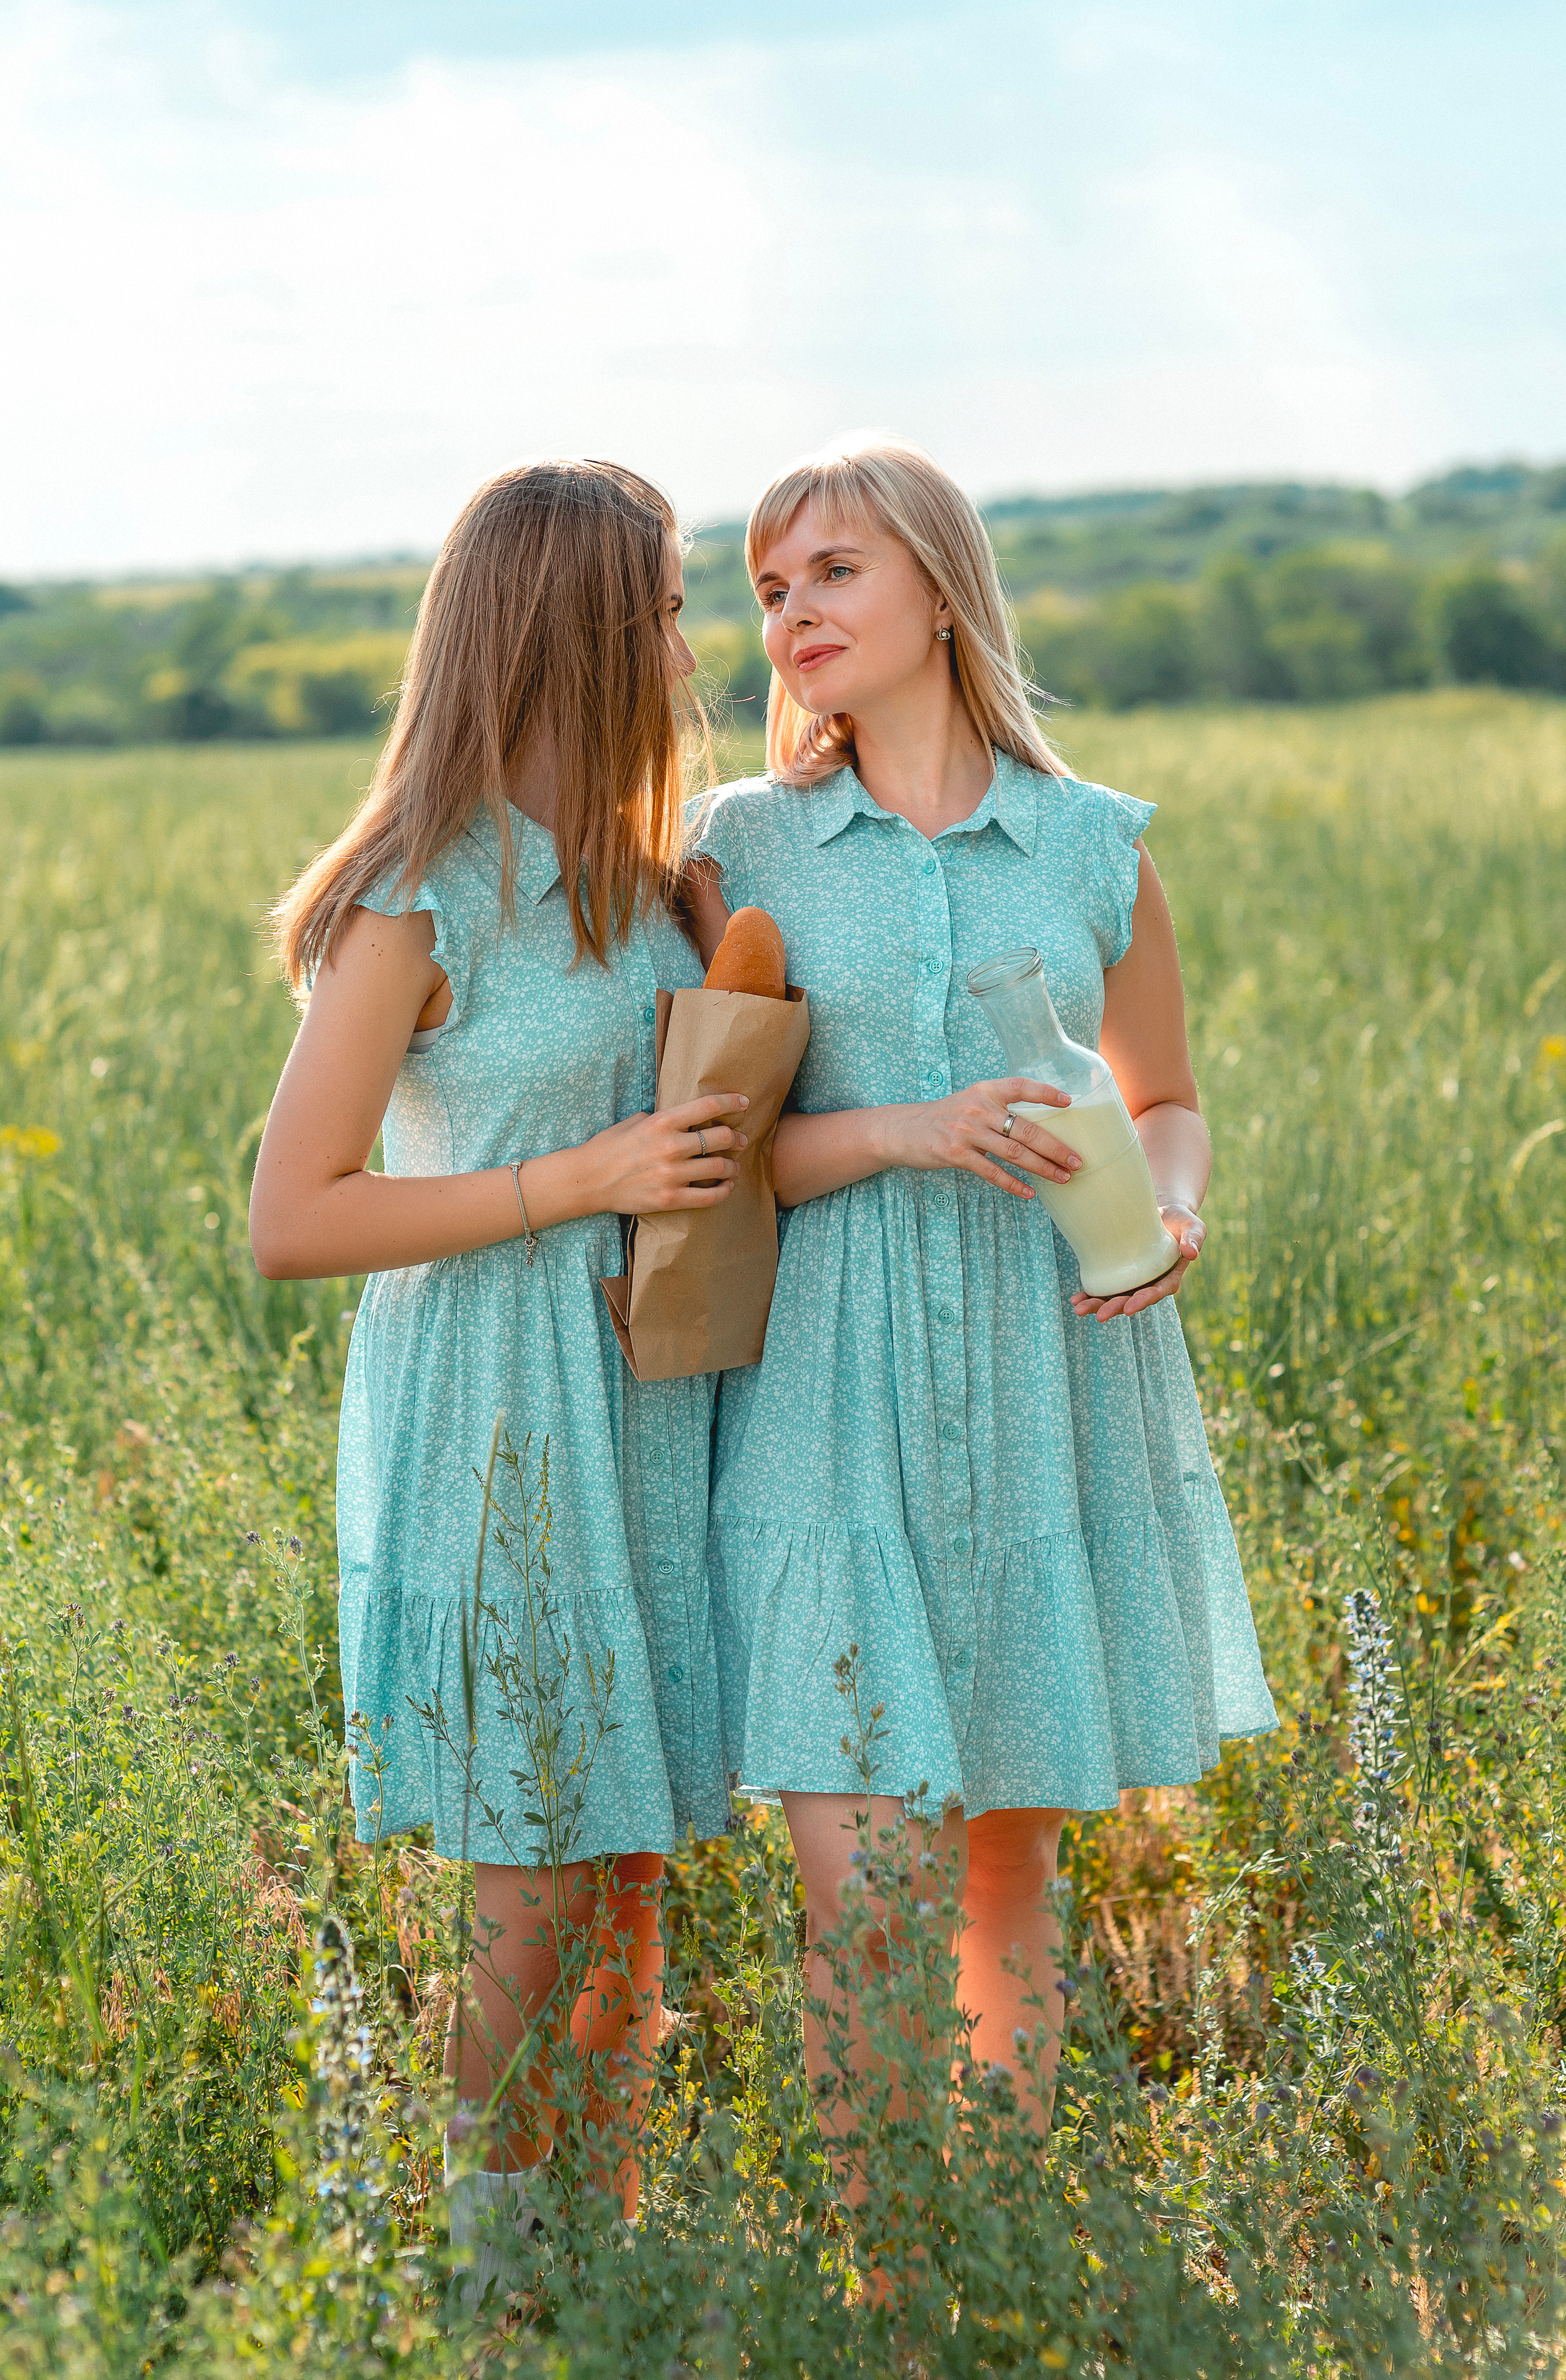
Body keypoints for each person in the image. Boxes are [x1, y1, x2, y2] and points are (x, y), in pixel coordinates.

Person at [692, 436, 1276, 2191]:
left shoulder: (1093, 845)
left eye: (834, 573)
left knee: (1011, 1869)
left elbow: (1161, 1093)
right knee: (866, 1888)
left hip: (1051, 1365)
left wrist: (1172, 1206)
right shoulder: (743, 847)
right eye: (772, 588)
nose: (793, 612)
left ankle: (995, 2262)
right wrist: (908, 1130)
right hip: (826, 1391)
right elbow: (714, 1162)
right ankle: (889, 2275)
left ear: (940, 587)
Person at [250, 459, 745, 2261]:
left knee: (628, 1876)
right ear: (584, 626)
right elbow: (292, 1214)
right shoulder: (418, 891)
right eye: (674, 606)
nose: (694, 646)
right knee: (533, 1882)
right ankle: (492, 2281)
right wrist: (576, 1180)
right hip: (492, 1419)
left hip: (644, 1404)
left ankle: (593, 2259)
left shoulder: (644, 874)